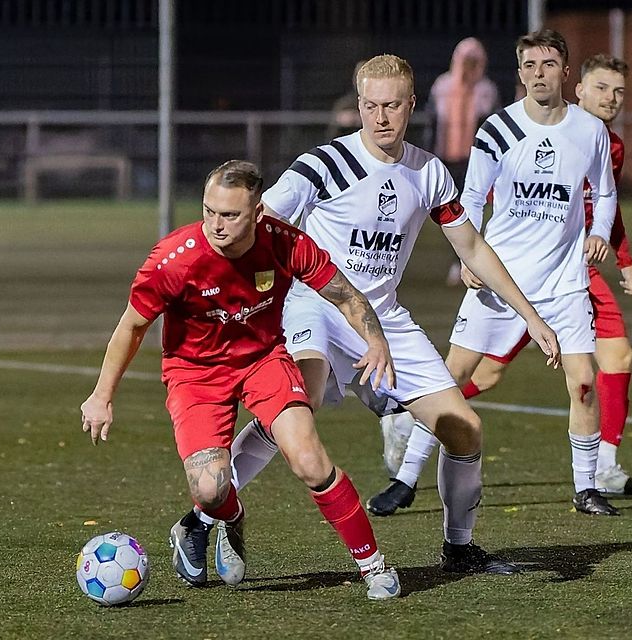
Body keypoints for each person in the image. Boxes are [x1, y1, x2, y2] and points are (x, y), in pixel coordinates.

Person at [193, 54, 562, 577]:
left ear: (412, 105)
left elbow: (473, 248)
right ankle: (202, 514)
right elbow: (258, 228)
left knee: (464, 430)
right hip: (316, 305)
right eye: (370, 105)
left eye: (392, 105)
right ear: (358, 103)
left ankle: (458, 549)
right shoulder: (321, 165)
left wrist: (532, 316)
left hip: (383, 318)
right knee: (303, 398)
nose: (380, 117)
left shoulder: (429, 171)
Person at [79, 160, 402, 600]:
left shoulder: (284, 243)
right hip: (195, 374)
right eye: (209, 211)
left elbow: (345, 294)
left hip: (263, 360)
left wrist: (376, 341)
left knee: (309, 458)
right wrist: (102, 395)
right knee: (210, 488)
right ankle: (228, 517)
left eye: (230, 215)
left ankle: (374, 567)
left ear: (257, 212)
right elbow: (132, 326)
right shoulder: (174, 260)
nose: (215, 224)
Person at [369, 54, 632, 516]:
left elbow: (606, 202)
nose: (612, 100)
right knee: (468, 374)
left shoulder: (601, 140)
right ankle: (406, 467)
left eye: (619, 92)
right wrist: (471, 256)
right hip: (507, 276)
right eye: (603, 88)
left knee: (595, 372)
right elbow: (480, 196)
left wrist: (616, 253)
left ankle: (595, 476)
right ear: (576, 85)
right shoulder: (507, 130)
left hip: (568, 278)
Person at [424, 38, 500, 286]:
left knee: (472, 211)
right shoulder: (443, 86)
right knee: (450, 213)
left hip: (474, 160)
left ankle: (469, 263)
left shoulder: (486, 90)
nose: (469, 67)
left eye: (474, 62)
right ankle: (458, 260)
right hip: (446, 158)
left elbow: (491, 127)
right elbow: (432, 123)